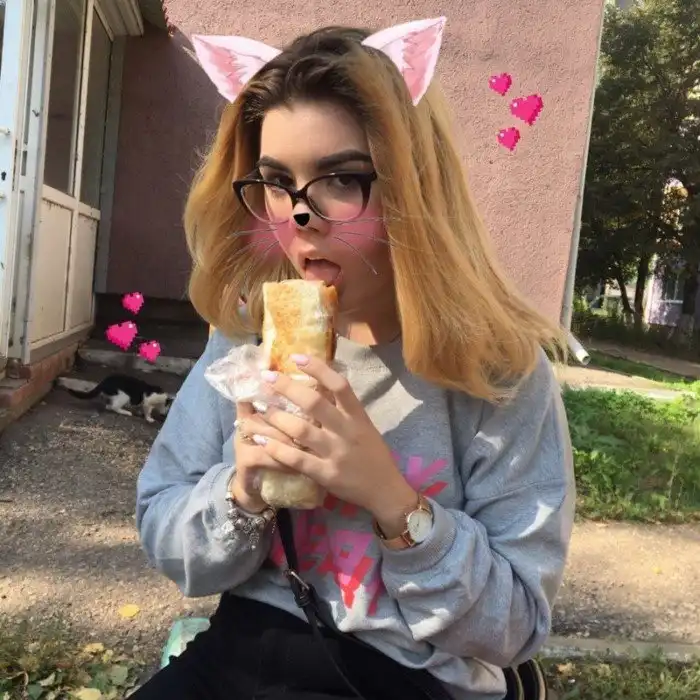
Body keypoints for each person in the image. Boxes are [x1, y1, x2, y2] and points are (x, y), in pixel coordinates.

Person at [134, 17, 575, 700]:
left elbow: (514, 627)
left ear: (413, 184)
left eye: (340, 179)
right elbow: (165, 531)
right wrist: (242, 492)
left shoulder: (496, 373)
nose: (299, 217)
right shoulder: (249, 337)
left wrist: (392, 499)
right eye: (277, 182)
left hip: (411, 676)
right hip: (246, 648)